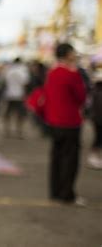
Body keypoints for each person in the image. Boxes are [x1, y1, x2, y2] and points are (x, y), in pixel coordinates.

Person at [44, 43, 86, 205]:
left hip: (54, 121)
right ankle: (67, 194)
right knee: (70, 159)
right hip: (70, 121)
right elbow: (81, 97)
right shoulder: (71, 73)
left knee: (56, 157)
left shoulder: (52, 73)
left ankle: (55, 191)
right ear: (68, 54)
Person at [3, 57, 29, 138]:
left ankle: (7, 131)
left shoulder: (9, 70)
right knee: (20, 114)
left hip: (9, 94)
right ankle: (19, 132)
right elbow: (25, 83)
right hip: (19, 95)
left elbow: (5, 82)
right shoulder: (23, 70)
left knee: (8, 114)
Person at [87, 69, 102, 169]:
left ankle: (94, 157)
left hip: (96, 118)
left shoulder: (94, 91)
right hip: (98, 119)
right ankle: (93, 157)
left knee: (98, 138)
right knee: (98, 138)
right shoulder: (98, 92)